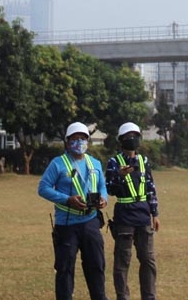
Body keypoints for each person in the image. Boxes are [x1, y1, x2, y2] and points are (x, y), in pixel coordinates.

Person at [38, 122, 110, 300]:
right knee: (65, 270)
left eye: (83, 138)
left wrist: (103, 198)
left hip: (91, 222)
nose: (79, 142)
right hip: (67, 224)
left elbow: (102, 186)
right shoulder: (58, 164)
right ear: (67, 142)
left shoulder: (94, 163)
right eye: (75, 139)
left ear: (88, 140)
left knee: (97, 266)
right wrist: (67, 200)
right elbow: (43, 188)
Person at [106, 122, 160, 300]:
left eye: (135, 135)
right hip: (124, 215)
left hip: (143, 215)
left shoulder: (144, 161)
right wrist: (119, 177)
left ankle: (149, 296)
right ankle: (123, 297)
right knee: (123, 262)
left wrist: (155, 214)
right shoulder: (114, 162)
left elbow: (150, 188)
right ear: (121, 141)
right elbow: (109, 189)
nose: (132, 139)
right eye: (128, 136)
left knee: (148, 260)